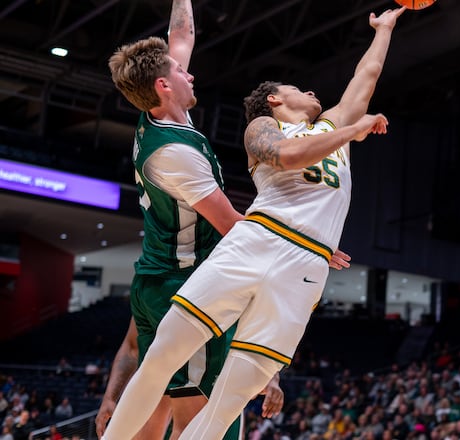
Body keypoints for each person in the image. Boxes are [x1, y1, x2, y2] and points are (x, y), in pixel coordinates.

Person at [101, 5, 404, 440]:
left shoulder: (334, 125)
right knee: (162, 358)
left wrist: (384, 29)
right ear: (276, 100)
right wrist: (351, 133)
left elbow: (367, 77)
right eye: (296, 86)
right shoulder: (262, 127)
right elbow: (288, 157)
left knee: (229, 403)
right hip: (255, 240)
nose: (311, 90)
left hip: (306, 265)